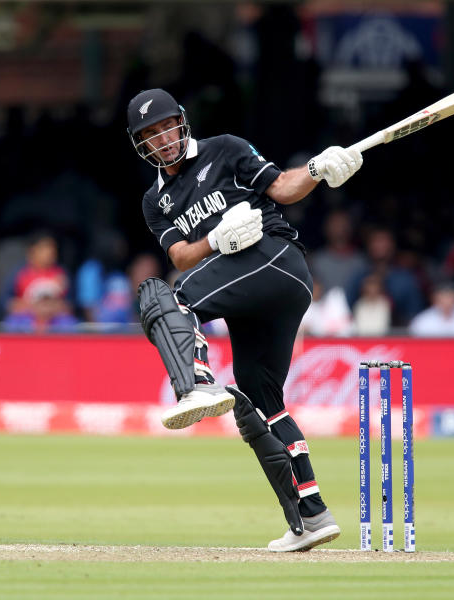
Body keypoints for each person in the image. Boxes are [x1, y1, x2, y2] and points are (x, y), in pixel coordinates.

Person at [127, 88, 360, 552]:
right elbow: (181, 253)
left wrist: (317, 169)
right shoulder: (156, 200)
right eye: (150, 134)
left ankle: (195, 381)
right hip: (247, 291)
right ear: (141, 144)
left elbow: (282, 188)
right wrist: (217, 238)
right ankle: (311, 516)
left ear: (182, 122)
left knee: (168, 299)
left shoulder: (225, 149)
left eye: (167, 126)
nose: (163, 139)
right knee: (259, 397)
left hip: (277, 262)